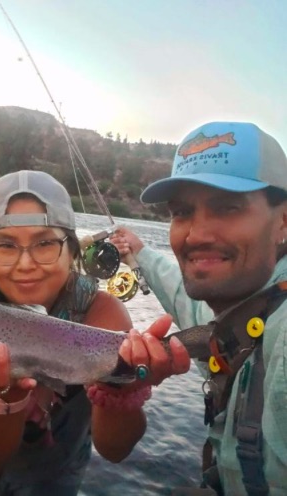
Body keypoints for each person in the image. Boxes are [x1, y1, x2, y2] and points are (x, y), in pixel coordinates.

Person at [0, 170, 189, 496]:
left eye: (45, 243)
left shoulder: (101, 313)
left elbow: (115, 450)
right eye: (7, 245)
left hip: (58, 470)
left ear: (72, 252)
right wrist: (9, 398)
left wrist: (121, 390)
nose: (25, 263)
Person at [110, 121, 287, 495]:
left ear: (283, 221)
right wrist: (138, 252)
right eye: (182, 212)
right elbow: (176, 288)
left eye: (228, 208)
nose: (197, 235)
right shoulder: (225, 306)